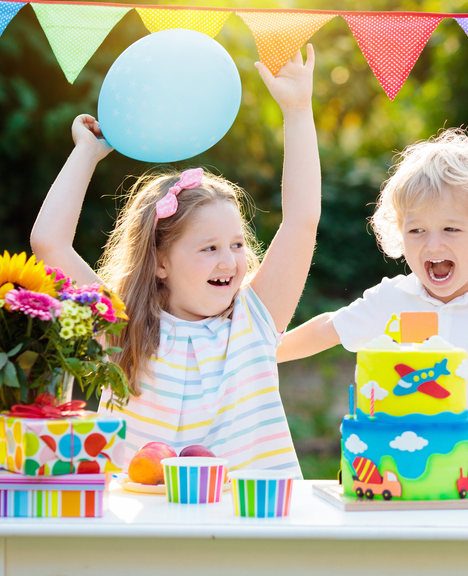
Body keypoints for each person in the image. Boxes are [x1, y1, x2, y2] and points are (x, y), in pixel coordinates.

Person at [30, 46, 321, 477]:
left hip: (253, 529)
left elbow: (301, 220)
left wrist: (297, 110)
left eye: (238, 245)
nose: (231, 261)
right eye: (209, 248)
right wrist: (85, 153)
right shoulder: (124, 326)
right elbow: (49, 243)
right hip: (145, 535)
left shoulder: (254, 318)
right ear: (160, 262)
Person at [277, 129, 468, 482]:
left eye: (450, 229)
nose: (433, 246)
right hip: (392, 484)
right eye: (417, 231)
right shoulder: (390, 300)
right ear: (399, 232)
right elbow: (329, 329)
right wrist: (260, 351)